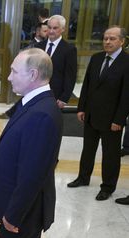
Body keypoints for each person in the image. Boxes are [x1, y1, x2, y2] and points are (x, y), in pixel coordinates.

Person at [0, 48, 62, 238]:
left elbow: (32, 175)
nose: (8, 77)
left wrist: (13, 216)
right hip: (21, 213)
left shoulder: (42, 114)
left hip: (20, 216)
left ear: (33, 75)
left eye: (13, 71)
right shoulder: (34, 103)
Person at [67, 26, 129, 202]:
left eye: (112, 39)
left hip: (112, 120)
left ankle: (107, 187)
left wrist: (119, 119)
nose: (107, 42)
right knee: (88, 149)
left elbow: (126, 96)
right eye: (105, 38)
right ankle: (83, 177)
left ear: (122, 41)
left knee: (110, 154)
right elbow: (86, 86)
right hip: (91, 115)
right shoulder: (96, 58)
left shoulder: (126, 62)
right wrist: (81, 108)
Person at [35, 15, 77, 108]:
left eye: (55, 28)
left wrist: (64, 98)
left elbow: (70, 76)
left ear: (63, 29)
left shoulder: (69, 50)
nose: (51, 31)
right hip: (37, 93)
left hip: (56, 96)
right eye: (49, 27)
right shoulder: (38, 46)